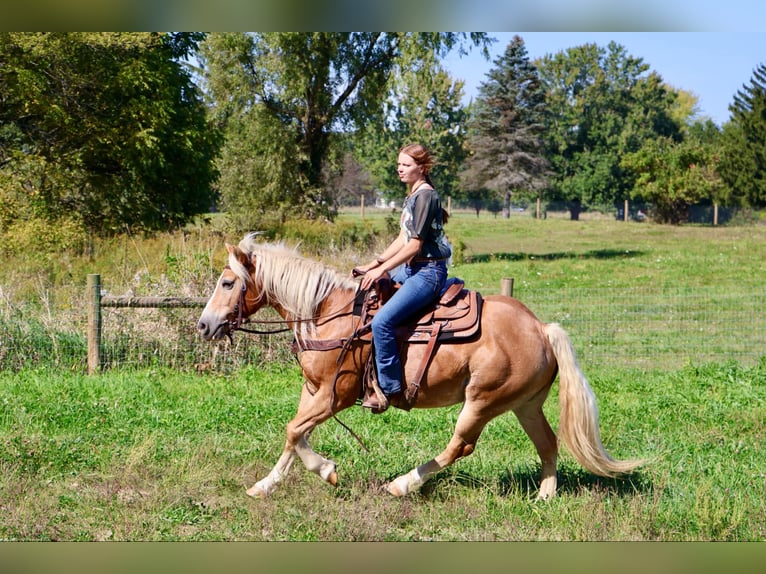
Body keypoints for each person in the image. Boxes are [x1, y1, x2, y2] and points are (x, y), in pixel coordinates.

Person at [353, 143, 452, 412]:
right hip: (411, 269)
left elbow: (414, 245)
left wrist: (381, 270)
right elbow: (401, 238)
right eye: (399, 164)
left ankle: (390, 388)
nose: (400, 168)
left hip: (428, 272)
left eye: (406, 165)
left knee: (383, 322)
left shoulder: (426, 197)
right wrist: (374, 264)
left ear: (422, 168)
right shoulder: (413, 196)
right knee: (369, 303)